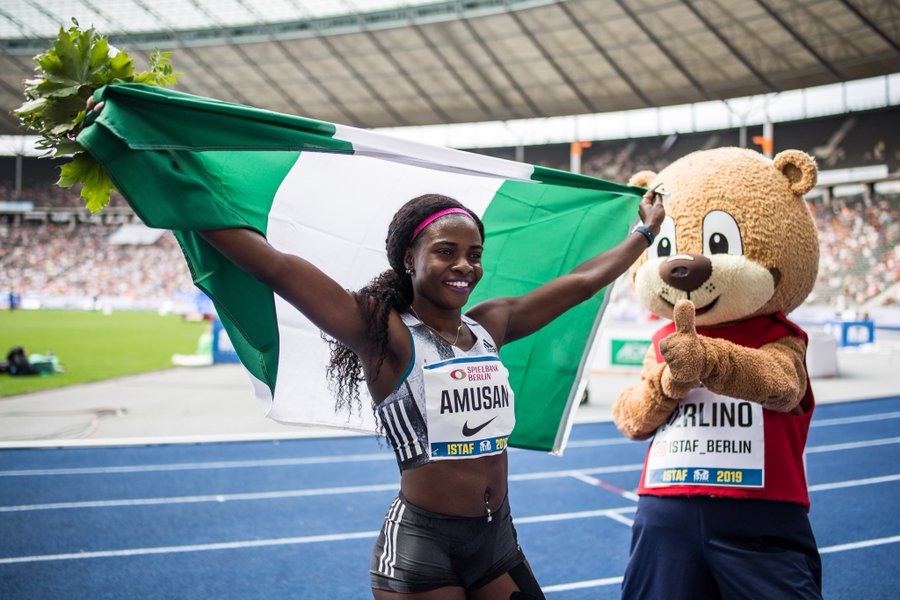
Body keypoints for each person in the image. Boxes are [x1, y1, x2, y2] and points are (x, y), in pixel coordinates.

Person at [87, 96, 665, 600]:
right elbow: (274, 264)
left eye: (474, 252)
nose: (464, 265)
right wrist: (144, 158)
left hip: (498, 538)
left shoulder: (492, 324)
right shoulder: (380, 332)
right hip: (422, 551)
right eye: (445, 251)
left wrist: (642, 233)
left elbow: (584, 281)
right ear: (408, 260)